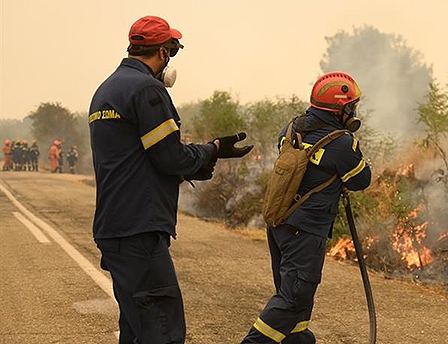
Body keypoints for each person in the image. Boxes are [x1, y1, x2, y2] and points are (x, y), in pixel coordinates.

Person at [88, 15, 252, 344]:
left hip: (115, 227)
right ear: (164, 53)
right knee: (163, 328)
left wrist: (190, 165)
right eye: (172, 50)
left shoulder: (105, 90)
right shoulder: (147, 89)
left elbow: (137, 158)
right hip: (140, 229)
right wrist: (212, 150)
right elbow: (169, 156)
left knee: (136, 330)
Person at [241, 72, 371, 344]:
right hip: (306, 230)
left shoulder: (290, 129)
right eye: (352, 107)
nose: (353, 112)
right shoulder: (343, 143)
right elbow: (361, 180)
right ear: (341, 109)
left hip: (279, 224)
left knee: (296, 308)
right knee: (293, 299)